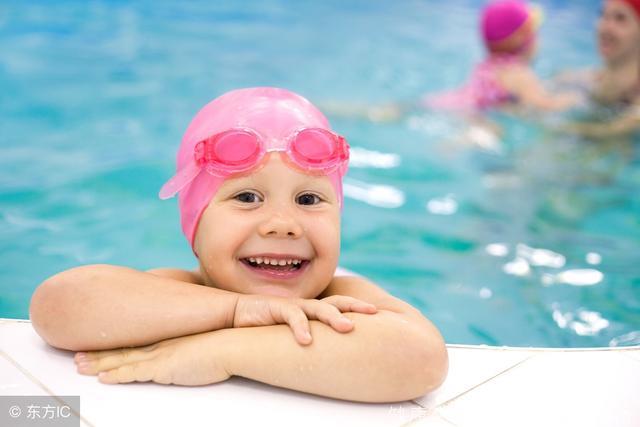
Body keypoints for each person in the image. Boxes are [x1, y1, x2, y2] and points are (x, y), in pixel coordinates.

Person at [29, 87, 448, 403]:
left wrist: (223, 351)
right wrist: (236, 311)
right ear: (195, 224)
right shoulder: (181, 292)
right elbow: (56, 306)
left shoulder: (340, 296)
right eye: (247, 197)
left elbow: (421, 359)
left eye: (308, 199)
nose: (283, 225)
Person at [424, 0, 579, 113]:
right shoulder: (518, 72)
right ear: (525, 38)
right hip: (481, 112)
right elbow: (541, 105)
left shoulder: (488, 64)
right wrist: (570, 100)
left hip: (457, 101)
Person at [558, 0, 640, 138]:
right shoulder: (579, 78)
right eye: (603, 16)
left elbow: (607, 134)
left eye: (620, 18)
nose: (605, 27)